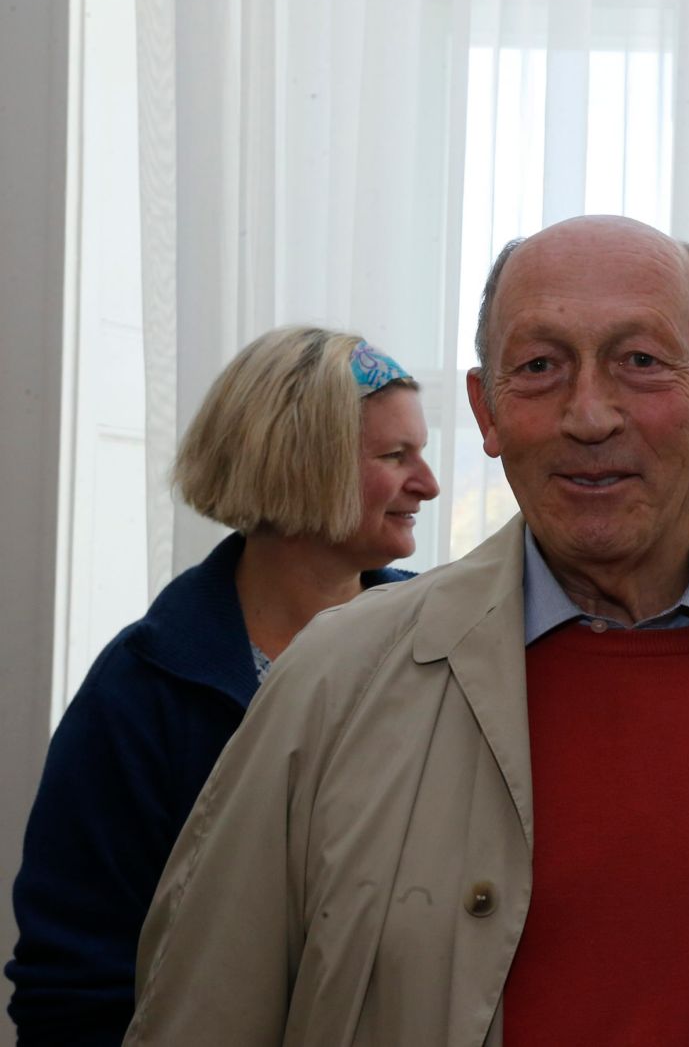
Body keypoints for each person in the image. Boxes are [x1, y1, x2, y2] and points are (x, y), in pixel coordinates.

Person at [124, 216, 689, 1046]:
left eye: (640, 362)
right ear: (486, 411)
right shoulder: (331, 686)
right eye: (538, 366)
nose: (590, 414)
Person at [7, 327, 436, 1046]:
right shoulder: (141, 695)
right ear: (302, 464)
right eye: (397, 457)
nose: (428, 483)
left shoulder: (443, 650)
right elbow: (72, 987)